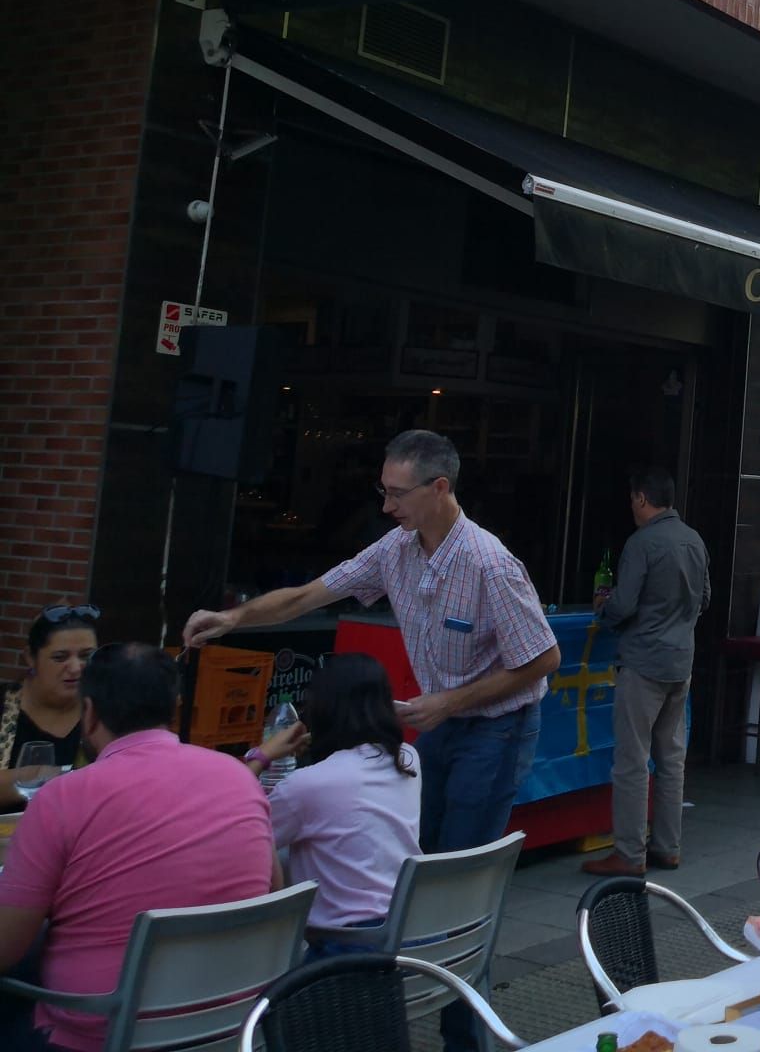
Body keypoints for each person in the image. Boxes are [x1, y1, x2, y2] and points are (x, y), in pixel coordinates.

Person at [182, 429, 558, 1052]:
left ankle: (466, 1036)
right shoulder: (397, 548)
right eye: (381, 491)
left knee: (456, 886)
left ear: (440, 489)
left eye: (396, 493)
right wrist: (234, 619)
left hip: (496, 729)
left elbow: (544, 658)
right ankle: (394, 1016)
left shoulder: (489, 563)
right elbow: (311, 594)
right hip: (439, 727)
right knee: (421, 874)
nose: (386, 506)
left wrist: (448, 702)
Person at [0, 645, 277, 1052]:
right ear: (176, 710)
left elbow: (5, 951)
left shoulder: (62, 798)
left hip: (96, 1032)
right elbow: (273, 887)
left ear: (89, 712)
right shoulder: (240, 779)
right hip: (228, 1027)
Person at [585, 468, 710, 877]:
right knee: (672, 759)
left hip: (643, 661)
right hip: (681, 661)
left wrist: (604, 612)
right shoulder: (694, 539)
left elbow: (623, 604)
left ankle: (628, 853)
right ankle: (667, 847)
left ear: (641, 498)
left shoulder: (642, 543)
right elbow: (705, 598)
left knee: (632, 760)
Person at [251, 652, 421, 946]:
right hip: (416, 932)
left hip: (348, 951)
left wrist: (262, 756)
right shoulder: (407, 758)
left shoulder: (306, 785)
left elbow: (240, 831)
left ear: (320, 710)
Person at [0, 605, 98, 805]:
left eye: (86, 656)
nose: (75, 667)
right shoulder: (4, 703)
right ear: (30, 658)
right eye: (59, 657)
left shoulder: (107, 711)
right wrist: (52, 777)